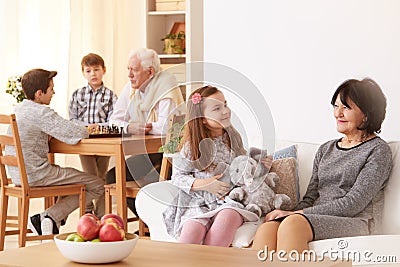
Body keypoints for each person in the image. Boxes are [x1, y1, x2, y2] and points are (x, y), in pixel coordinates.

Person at [252, 78, 393, 255]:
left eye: (346, 107)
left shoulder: (378, 150)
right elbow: (310, 197)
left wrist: (299, 214)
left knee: (293, 224)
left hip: (357, 220)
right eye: (336, 106)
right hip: (315, 217)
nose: (337, 113)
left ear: (366, 114)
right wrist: (286, 213)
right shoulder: (326, 149)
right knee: (268, 228)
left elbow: (354, 204)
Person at [162, 86, 273, 247]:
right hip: (199, 202)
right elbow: (178, 178)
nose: (225, 111)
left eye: (225, 105)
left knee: (226, 220)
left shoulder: (233, 138)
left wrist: (259, 164)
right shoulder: (191, 146)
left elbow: (240, 167)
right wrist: (206, 185)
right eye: (217, 108)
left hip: (231, 200)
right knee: (192, 231)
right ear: (202, 119)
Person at [5, 68, 105, 236]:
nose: (54, 92)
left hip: (18, 175)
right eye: (51, 89)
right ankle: (49, 216)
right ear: (39, 93)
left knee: (71, 182)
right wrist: (89, 128)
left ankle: (50, 220)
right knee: (97, 184)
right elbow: (76, 132)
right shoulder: (41, 113)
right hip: (37, 174)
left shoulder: (20, 109)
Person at [106, 48, 184, 216]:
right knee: (113, 177)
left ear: (150, 72)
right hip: (148, 150)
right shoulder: (131, 88)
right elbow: (114, 120)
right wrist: (129, 127)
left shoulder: (165, 85)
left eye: (134, 69)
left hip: (170, 152)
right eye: (128, 69)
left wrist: (141, 127)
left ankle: (157, 223)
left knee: (155, 181)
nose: (129, 74)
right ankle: (148, 222)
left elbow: (166, 127)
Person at [69, 53, 117, 214]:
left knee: (102, 178)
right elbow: (73, 119)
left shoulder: (110, 96)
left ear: (104, 70)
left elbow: (113, 120)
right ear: (83, 73)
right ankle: (87, 210)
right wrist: (88, 127)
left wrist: (99, 126)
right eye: (88, 71)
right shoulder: (77, 94)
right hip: (84, 142)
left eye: (96, 70)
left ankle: (102, 214)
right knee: (90, 177)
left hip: (104, 142)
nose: (93, 74)